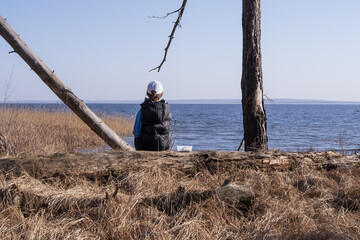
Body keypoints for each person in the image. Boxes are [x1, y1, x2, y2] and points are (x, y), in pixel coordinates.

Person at [133, 81, 172, 151]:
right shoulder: (167, 109)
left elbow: (136, 132)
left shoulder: (143, 109)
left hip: (144, 147)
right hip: (164, 146)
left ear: (147, 93)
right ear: (162, 94)